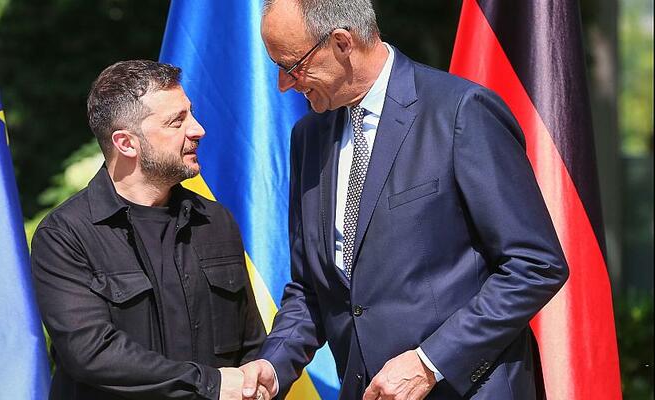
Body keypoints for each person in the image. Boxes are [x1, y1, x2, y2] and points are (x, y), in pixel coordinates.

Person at [239, 1, 569, 399]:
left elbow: (535, 265)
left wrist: (430, 362)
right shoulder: (309, 137)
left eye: (292, 66)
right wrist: (274, 364)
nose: (284, 84)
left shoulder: (461, 111)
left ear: (343, 43)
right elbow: (313, 287)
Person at [31, 60, 265, 400]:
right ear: (127, 143)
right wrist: (208, 385)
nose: (198, 129)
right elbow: (92, 354)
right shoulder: (65, 235)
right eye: (177, 122)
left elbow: (250, 343)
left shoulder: (215, 222)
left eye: (191, 114)